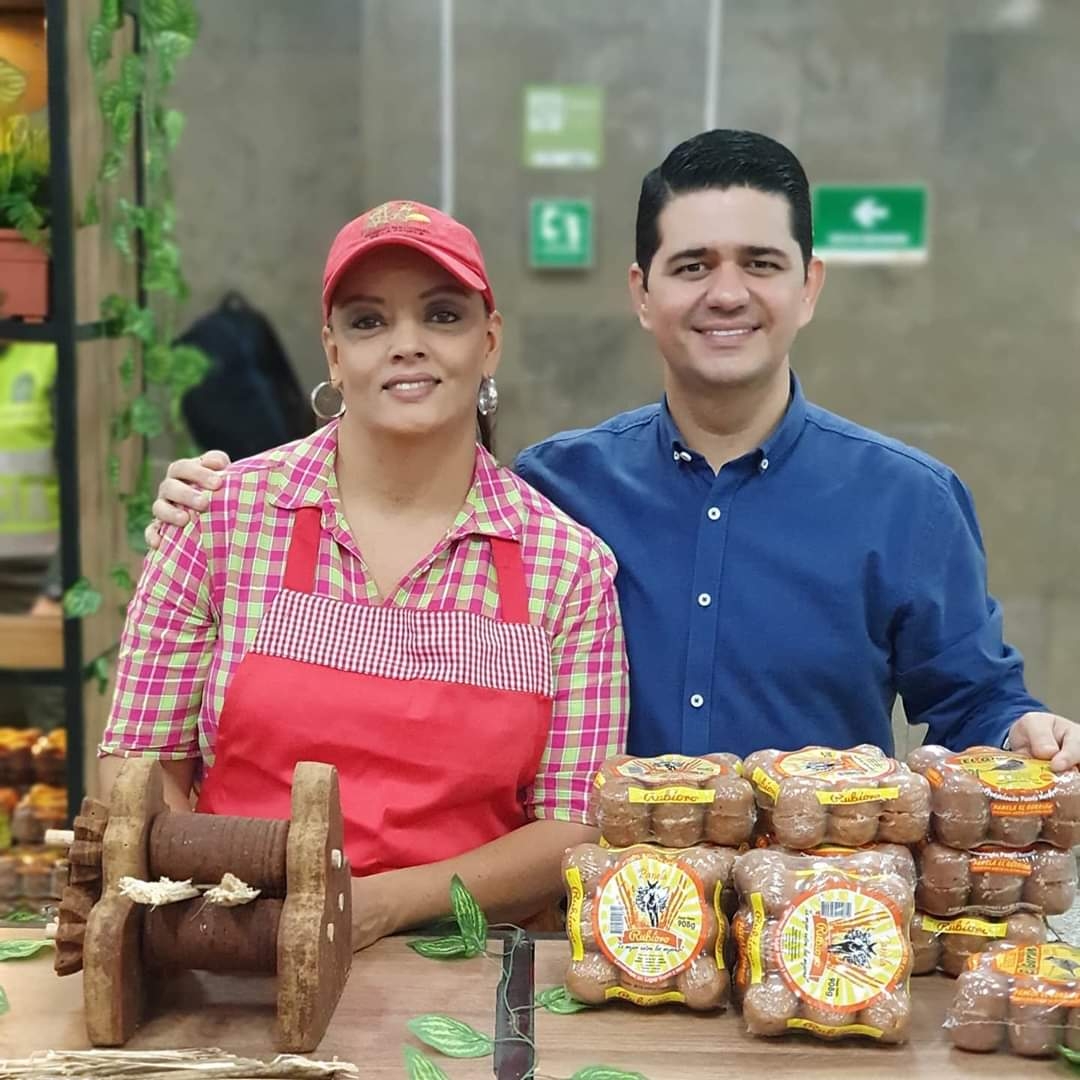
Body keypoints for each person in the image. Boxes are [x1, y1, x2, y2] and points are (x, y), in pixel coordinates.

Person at [147, 130, 1080, 773]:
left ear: (809, 286)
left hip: (814, 925)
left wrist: (1027, 731)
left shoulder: (908, 501)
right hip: (586, 932)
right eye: (692, 266)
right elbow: (387, 573)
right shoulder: (555, 488)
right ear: (642, 292)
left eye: (760, 264)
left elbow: (974, 703)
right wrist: (211, 511)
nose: (726, 293)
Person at [101, 201, 628, 949]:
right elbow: (138, 766)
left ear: (490, 341)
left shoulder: (567, 566)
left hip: (459, 961)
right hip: (234, 950)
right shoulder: (218, 519)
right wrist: (224, 915)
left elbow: (573, 825)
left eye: (441, 316)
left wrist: (378, 906)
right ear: (333, 352)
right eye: (369, 321)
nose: (406, 345)